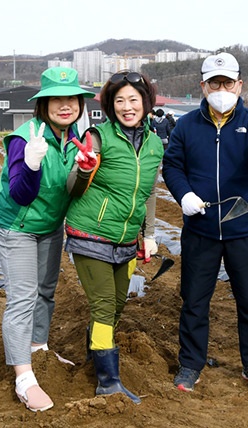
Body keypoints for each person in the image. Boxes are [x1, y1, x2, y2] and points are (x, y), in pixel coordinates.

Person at [163, 52, 248, 394]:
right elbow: (172, 167)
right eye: (214, 82)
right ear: (203, 86)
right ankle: (190, 364)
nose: (221, 88)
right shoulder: (186, 126)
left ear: (240, 84)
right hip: (200, 229)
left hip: (243, 227)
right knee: (195, 300)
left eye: (228, 82)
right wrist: (183, 195)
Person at [0, 67, 95, 412]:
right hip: (17, 224)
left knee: (46, 290)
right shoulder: (26, 138)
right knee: (24, 296)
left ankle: (38, 348)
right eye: (56, 99)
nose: (65, 105)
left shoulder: (75, 138)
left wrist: (84, 169)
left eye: (71, 99)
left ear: (80, 103)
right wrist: (31, 166)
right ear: (43, 103)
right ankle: (23, 377)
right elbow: (20, 195)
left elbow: (72, 191)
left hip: (50, 224)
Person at [64, 71, 163, 404]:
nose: (127, 106)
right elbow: (72, 188)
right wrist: (85, 168)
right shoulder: (98, 137)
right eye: (119, 100)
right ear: (110, 105)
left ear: (145, 102)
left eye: (133, 99)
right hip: (91, 233)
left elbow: (148, 191)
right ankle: (108, 382)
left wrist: (148, 234)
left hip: (126, 239)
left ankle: (95, 355)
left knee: (117, 305)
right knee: (105, 305)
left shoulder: (153, 142)